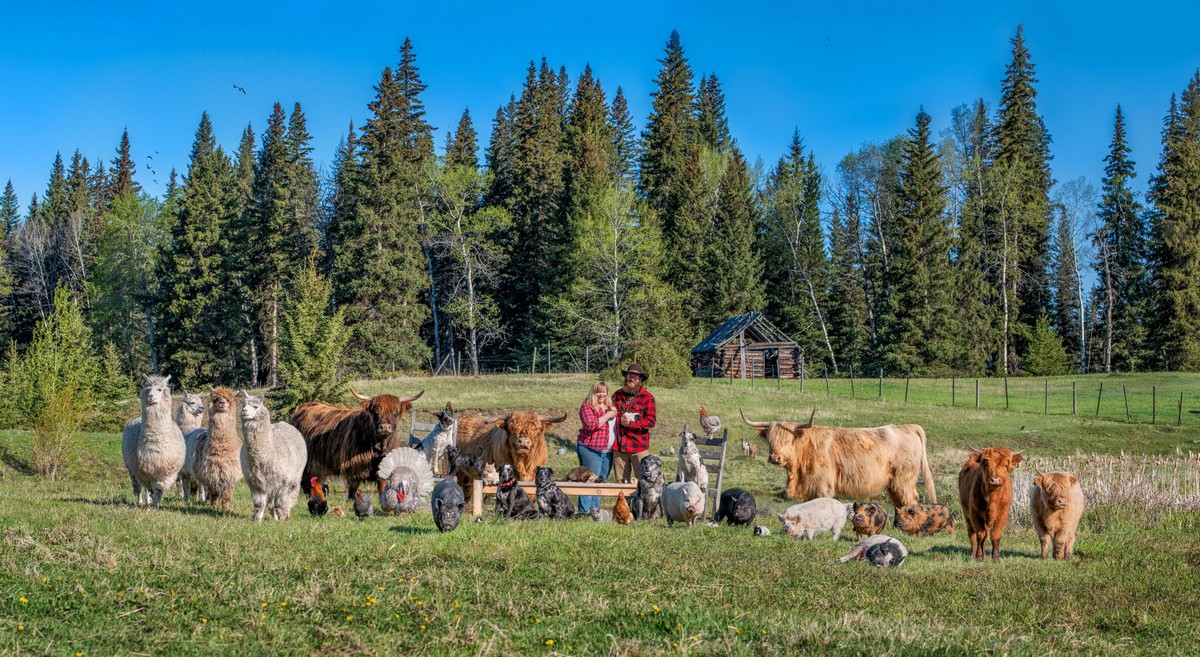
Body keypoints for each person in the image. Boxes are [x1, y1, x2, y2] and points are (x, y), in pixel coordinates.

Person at [575, 381, 617, 513]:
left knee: (600, 481)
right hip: (591, 449)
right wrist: (608, 415)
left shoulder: (610, 406)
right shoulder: (587, 406)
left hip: (608, 451)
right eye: (598, 391)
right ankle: (585, 512)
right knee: (589, 480)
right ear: (593, 393)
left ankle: (595, 512)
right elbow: (591, 425)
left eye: (604, 391)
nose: (601, 394)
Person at [611, 363, 656, 483]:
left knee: (642, 482)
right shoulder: (617, 395)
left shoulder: (648, 398)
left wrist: (632, 424)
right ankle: (624, 503)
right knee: (621, 484)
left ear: (640, 380)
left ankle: (639, 503)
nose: (631, 379)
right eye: (629, 375)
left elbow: (651, 422)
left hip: (638, 447)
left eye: (635, 377)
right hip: (619, 446)